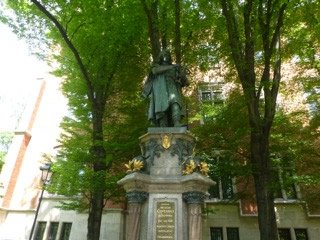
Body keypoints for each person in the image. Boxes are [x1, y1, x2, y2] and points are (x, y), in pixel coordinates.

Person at [142, 49, 189, 127]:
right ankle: (162, 126)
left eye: (167, 55)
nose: (166, 56)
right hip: (161, 89)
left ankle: (176, 123)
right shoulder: (156, 66)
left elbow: (185, 82)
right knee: (161, 107)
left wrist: (182, 74)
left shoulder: (175, 68)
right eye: (164, 55)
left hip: (172, 87)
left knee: (175, 103)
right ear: (161, 57)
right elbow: (155, 71)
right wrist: (172, 66)